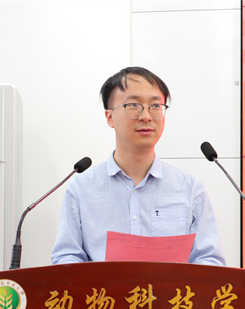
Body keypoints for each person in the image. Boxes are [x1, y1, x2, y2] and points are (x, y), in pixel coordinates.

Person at [51, 67, 225, 266]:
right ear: (109, 117)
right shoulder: (81, 189)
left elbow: (209, 260)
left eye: (155, 105)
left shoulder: (189, 188)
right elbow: (66, 258)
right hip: (104, 288)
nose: (146, 116)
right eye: (133, 105)